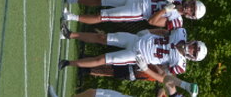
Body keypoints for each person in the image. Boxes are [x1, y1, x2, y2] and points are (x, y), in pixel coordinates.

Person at [58, 26, 207, 80]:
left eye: (194, 52)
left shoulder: (180, 64)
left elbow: (163, 77)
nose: (192, 49)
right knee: (102, 37)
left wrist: (146, 68)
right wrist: (148, 31)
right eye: (195, 47)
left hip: (137, 56)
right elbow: (163, 32)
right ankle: (69, 34)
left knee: (101, 60)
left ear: (192, 57)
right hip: (136, 39)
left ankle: (67, 63)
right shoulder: (181, 33)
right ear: (194, 42)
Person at [61, 0, 206, 29]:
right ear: (191, 1)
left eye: (192, 11)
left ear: (191, 16)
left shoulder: (177, 21)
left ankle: (71, 17)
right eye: (192, 5)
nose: (189, 8)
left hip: (138, 11)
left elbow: (151, 22)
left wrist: (164, 10)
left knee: (102, 16)